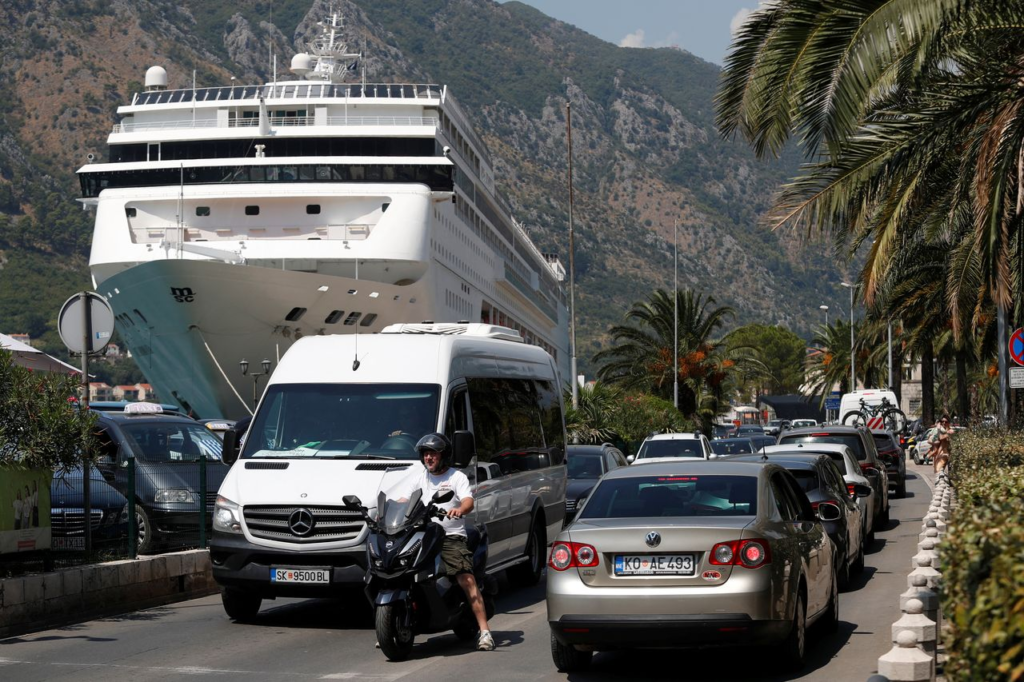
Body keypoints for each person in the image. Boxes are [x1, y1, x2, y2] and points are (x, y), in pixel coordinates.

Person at [395, 433, 495, 651]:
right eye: (425, 454)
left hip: (450, 536)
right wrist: (387, 510)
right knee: (397, 570)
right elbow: (405, 499)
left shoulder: (456, 477)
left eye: (433, 453)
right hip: (422, 535)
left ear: (443, 455)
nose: (429, 458)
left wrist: (459, 509)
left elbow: (468, 501)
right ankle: (394, 624)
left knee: (465, 578)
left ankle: (485, 631)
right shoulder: (420, 478)